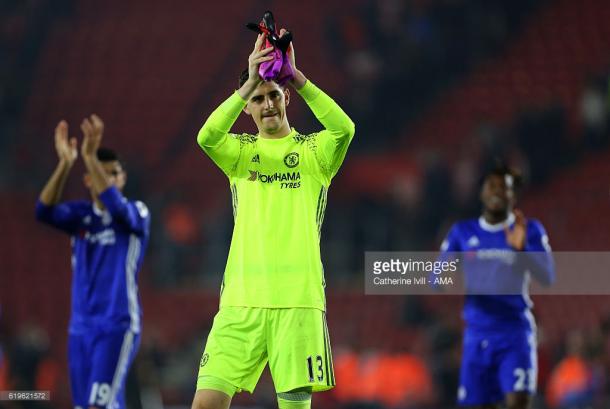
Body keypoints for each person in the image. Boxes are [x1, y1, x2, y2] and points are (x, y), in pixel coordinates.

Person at [192, 30, 355, 409]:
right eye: (257, 99)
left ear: (287, 100)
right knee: (205, 404)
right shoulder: (239, 154)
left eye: (273, 96)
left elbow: (344, 129)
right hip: (240, 304)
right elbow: (206, 137)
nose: (267, 105)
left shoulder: (314, 153)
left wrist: (296, 75)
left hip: (298, 304)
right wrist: (249, 80)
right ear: (247, 107)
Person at [36, 115, 150, 409]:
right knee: (93, 405)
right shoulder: (80, 217)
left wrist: (89, 156)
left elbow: (114, 205)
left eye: (114, 174)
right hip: (81, 327)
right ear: (87, 179)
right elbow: (43, 212)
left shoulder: (136, 214)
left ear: (123, 179)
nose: (109, 179)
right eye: (101, 173)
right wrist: (65, 164)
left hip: (117, 324)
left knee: (98, 405)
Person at [439, 163, 555, 409]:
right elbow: (437, 278)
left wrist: (522, 251)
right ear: (481, 192)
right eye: (492, 186)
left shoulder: (529, 230)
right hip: (477, 334)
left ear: (513, 195)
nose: (497, 192)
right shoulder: (462, 232)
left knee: (518, 403)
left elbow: (546, 276)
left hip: (514, 332)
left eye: (504, 188)